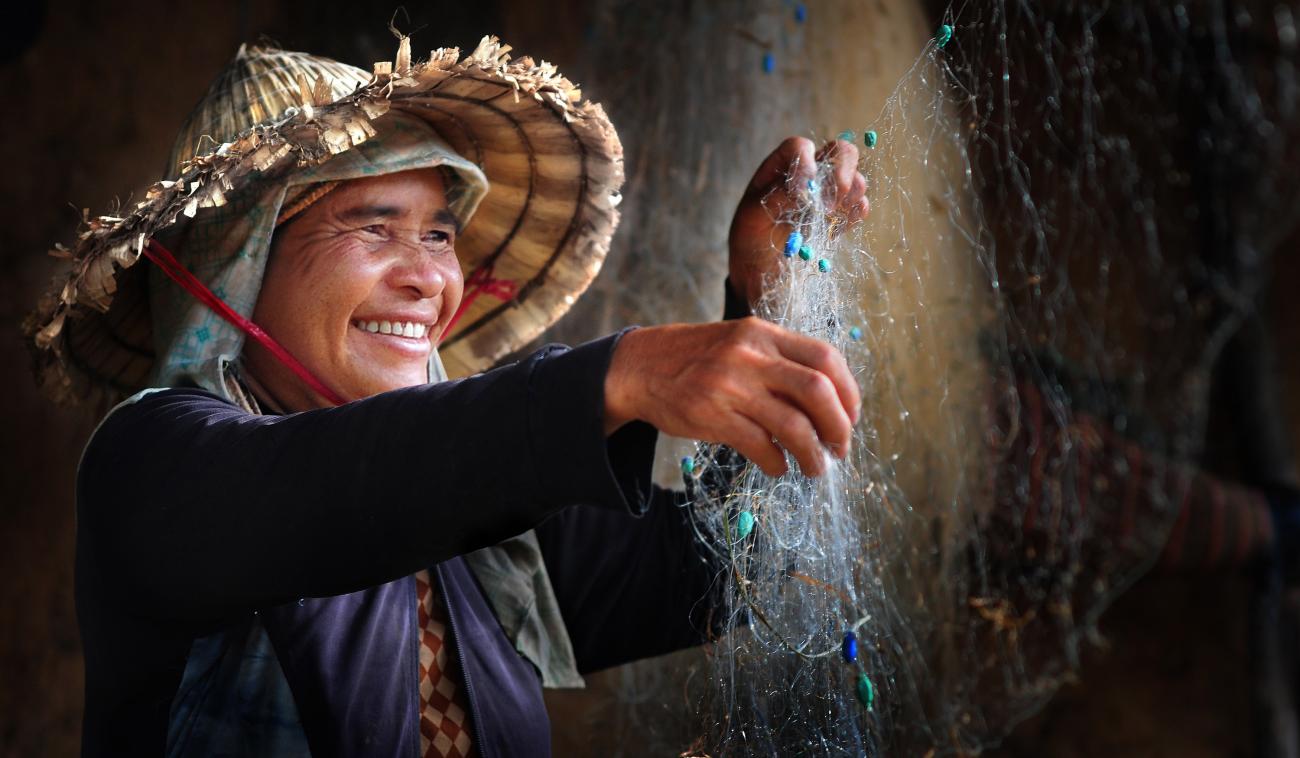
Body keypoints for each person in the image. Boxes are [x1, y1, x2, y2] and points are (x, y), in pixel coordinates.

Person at [29, 37, 867, 757]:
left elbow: (713, 573)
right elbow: (339, 486)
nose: (430, 277)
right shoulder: (150, 469)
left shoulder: (483, 522)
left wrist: (769, 290)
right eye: (373, 226)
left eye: (438, 234)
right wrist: (623, 375)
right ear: (239, 269)